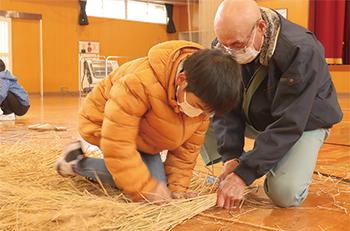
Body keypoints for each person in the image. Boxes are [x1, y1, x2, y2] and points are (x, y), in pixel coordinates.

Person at [55, 40, 242, 204]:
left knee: (161, 188)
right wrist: (143, 186)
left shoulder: (202, 100)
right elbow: (118, 142)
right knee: (148, 185)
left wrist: (177, 188)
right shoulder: (140, 83)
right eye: (198, 106)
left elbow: (187, 151)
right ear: (181, 79)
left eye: (208, 112)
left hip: (143, 132)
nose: (201, 114)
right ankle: (76, 164)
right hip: (103, 120)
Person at [206, 0, 343, 208]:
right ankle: (228, 167)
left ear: (261, 28)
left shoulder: (302, 50)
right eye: (225, 45)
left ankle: (269, 164)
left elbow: (289, 123)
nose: (230, 52)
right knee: (201, 110)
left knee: (285, 194)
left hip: (305, 122)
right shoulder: (226, 44)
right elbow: (226, 105)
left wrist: (244, 174)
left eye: (236, 45)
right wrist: (231, 156)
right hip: (258, 116)